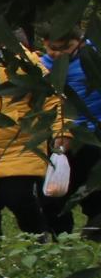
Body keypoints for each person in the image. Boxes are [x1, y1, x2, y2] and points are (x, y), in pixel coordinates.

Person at [0, 49, 66, 259]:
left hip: (19, 147)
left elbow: (53, 99)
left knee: (18, 198)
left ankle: (40, 249)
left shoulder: (25, 63)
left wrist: (62, 130)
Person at [38, 14, 101, 238]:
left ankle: (94, 233)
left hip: (92, 135)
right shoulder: (41, 67)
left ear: (80, 42)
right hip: (58, 138)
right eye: (52, 48)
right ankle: (59, 236)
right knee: (55, 192)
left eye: (65, 47)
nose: (58, 53)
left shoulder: (93, 59)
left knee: (93, 189)